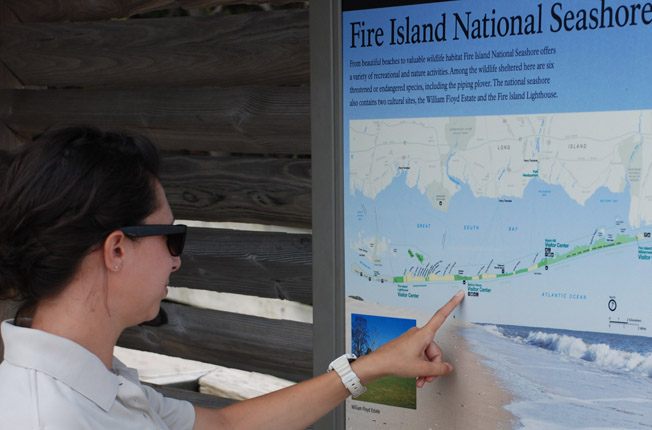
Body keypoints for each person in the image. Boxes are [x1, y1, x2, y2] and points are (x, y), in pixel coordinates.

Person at [0, 125, 465, 429]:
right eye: (172, 238)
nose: (176, 261)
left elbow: (227, 425)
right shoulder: (46, 417)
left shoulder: (96, 380)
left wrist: (370, 367)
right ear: (117, 249)